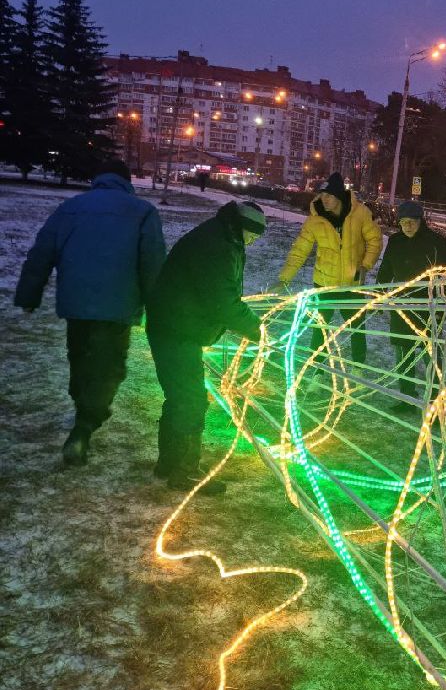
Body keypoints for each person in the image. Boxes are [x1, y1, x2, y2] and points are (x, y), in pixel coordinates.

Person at [14, 160, 166, 467]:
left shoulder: (72, 208)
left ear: (97, 180)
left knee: (80, 354)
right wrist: (158, 307)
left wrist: (29, 294)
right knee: (109, 365)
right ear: (127, 182)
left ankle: (83, 403)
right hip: (118, 304)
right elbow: (153, 262)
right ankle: (84, 427)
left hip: (76, 301)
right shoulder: (142, 211)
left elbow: (42, 251)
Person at [146, 200, 267, 496]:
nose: (252, 242)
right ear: (242, 228)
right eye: (252, 235)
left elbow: (220, 294)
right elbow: (221, 300)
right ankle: (185, 472)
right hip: (176, 329)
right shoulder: (217, 245)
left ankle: (169, 463)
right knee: (191, 399)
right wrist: (256, 328)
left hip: (174, 325)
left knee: (180, 396)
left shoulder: (221, 236)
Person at [275, 172, 383, 367]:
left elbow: (374, 240)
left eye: (329, 195)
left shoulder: (360, 214)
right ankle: (318, 368)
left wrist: (365, 265)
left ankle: (358, 368)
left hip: (353, 285)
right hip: (324, 283)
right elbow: (300, 250)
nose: (323, 199)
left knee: (357, 327)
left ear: (339, 196)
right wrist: (284, 279)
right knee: (320, 328)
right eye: (322, 195)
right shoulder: (315, 220)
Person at [376, 200, 446, 414]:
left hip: (429, 310)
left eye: (411, 221)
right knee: (403, 353)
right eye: (403, 222)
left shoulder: (437, 242)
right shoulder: (395, 241)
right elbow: (386, 269)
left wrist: (443, 303)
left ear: (421, 221)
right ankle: (407, 396)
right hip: (402, 307)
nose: (407, 226)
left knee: (431, 358)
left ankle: (436, 404)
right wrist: (380, 293)